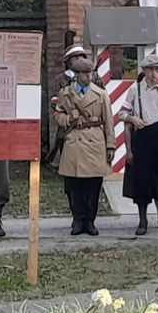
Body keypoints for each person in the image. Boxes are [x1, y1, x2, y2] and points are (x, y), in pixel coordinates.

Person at [118, 54, 158, 235]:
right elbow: (121, 113)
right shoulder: (135, 90)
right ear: (144, 71)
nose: (154, 73)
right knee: (142, 178)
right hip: (143, 135)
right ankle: (143, 221)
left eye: (157, 69)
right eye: (151, 69)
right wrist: (133, 118)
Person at [52, 57, 115, 236]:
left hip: (94, 140)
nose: (87, 77)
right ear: (77, 75)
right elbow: (58, 114)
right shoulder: (65, 93)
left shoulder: (100, 94)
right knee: (73, 185)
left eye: (89, 73)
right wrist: (67, 120)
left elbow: (109, 121)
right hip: (74, 140)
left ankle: (90, 221)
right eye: (84, 74)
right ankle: (77, 220)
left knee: (93, 185)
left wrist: (111, 145)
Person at [47, 43, 102, 169]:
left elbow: (102, 99)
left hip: (90, 125)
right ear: (69, 61)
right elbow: (56, 102)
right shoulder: (61, 78)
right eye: (75, 57)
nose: (79, 60)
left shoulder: (94, 77)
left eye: (81, 57)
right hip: (70, 124)